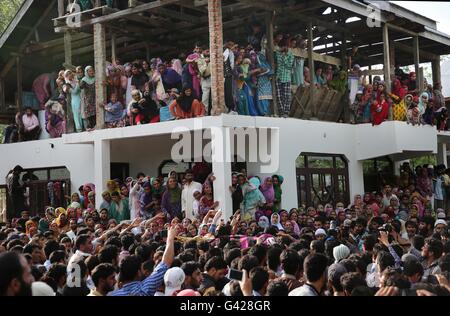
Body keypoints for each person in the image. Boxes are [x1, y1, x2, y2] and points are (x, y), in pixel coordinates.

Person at [110, 226, 176, 296]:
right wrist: (170, 238)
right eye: (142, 268)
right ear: (138, 272)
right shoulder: (144, 289)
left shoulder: (114, 294)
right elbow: (165, 264)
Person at [275, 39, 294, 117]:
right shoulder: (277, 53)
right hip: (279, 76)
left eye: (284, 46)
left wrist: (284, 56)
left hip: (286, 77)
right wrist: (281, 53)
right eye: (281, 46)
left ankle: (286, 112)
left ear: (286, 46)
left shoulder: (291, 54)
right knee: (279, 96)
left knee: (287, 96)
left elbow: (289, 66)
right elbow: (279, 62)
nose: (282, 48)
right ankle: (281, 112)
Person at [79, 66, 96, 130]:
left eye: (92, 70)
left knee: (95, 112)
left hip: (95, 98)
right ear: (86, 72)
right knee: (89, 113)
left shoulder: (95, 78)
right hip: (88, 99)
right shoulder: (84, 80)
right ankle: (90, 126)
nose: (92, 72)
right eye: (90, 71)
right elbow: (80, 87)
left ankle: (95, 125)